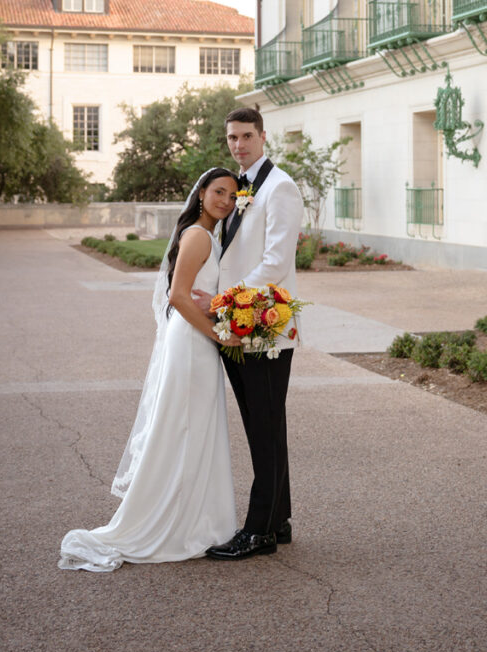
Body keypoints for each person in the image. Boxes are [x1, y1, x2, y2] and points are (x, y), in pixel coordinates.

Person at [58, 168, 241, 572]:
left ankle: (192, 517)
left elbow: (193, 293)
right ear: (201, 194)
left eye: (232, 195)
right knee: (184, 428)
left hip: (193, 340)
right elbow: (177, 295)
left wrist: (220, 307)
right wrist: (220, 335)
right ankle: (177, 523)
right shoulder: (198, 234)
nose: (226, 201)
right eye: (219, 192)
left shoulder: (206, 234)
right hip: (193, 343)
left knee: (189, 428)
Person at [194, 107, 304, 561]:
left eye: (245, 136)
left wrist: (221, 301)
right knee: (266, 425)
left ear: (262, 136)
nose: (238, 145)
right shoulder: (240, 187)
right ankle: (278, 521)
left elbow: (276, 262)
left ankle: (258, 529)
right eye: (232, 139)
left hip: (265, 325)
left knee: (264, 425)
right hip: (240, 325)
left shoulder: (281, 187)